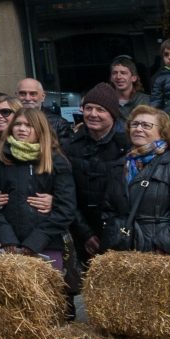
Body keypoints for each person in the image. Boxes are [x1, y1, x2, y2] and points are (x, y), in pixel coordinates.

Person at [0, 107, 75, 266]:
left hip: (46, 247)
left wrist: (37, 240)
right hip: (6, 247)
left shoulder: (57, 161)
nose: (22, 129)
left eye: (29, 125)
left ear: (40, 129)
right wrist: (6, 236)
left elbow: (66, 208)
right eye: (18, 124)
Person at [101, 106, 170, 256]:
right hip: (124, 253)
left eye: (146, 125)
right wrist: (114, 238)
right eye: (134, 124)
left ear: (163, 132)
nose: (138, 129)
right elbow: (108, 210)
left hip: (162, 256)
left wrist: (162, 247)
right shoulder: (119, 165)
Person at [64, 84, 131, 269]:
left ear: (112, 114)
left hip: (119, 232)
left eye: (100, 109)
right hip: (81, 229)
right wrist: (85, 233)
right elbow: (66, 194)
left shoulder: (127, 145)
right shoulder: (70, 146)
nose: (93, 114)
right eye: (88, 108)